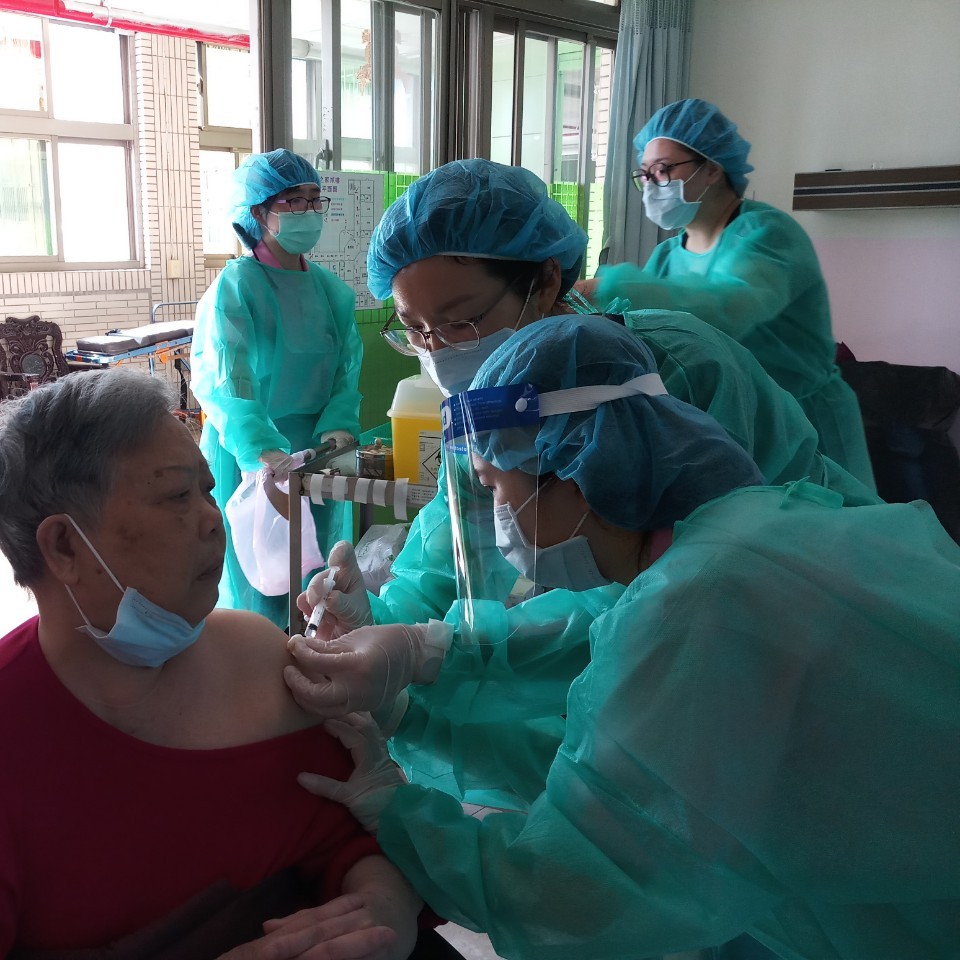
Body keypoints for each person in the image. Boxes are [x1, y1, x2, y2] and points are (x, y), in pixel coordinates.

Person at [299, 315, 960, 960]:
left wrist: (396, 810)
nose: (498, 519)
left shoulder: (701, 607)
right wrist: (412, 702)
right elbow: (623, 775)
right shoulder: (752, 536)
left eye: (497, 488)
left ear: (571, 472)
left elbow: (571, 888)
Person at [285, 159, 878, 812]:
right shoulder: (488, 404)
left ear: (544, 281)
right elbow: (453, 553)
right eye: (416, 330)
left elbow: (665, 605)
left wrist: (428, 654)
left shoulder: (666, 376)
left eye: (460, 322)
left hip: (793, 649)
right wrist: (379, 620)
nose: (438, 351)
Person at [0, 369, 423, 960]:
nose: (212, 519)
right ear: (64, 546)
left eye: (207, 491)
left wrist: (384, 905)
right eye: (176, 497)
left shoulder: (258, 656)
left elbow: (346, 838)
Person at [578, 98, 875, 490]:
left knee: (827, 522)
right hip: (734, 420)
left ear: (712, 168)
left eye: (663, 169)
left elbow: (726, 307)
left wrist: (606, 288)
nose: (651, 184)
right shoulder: (667, 256)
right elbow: (655, 331)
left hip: (806, 423)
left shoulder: (768, 234)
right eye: (645, 174)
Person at [191, 148, 363, 629]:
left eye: (314, 200)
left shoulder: (331, 291)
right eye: (294, 201)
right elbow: (228, 377)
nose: (308, 211)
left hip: (317, 447)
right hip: (252, 452)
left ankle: (314, 655)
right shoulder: (237, 287)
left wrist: (338, 427)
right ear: (258, 213)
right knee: (260, 572)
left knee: (316, 573)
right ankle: (257, 659)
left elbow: (346, 370)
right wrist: (260, 450)